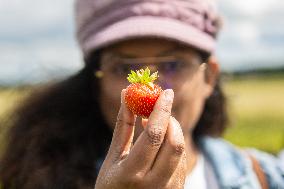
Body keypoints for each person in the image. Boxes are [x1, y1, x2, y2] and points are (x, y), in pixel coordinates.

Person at [0, 0, 283, 188]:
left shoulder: (267, 178)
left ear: (208, 76)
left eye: (173, 64)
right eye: (125, 66)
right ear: (95, 82)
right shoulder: (43, 177)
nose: (155, 87)